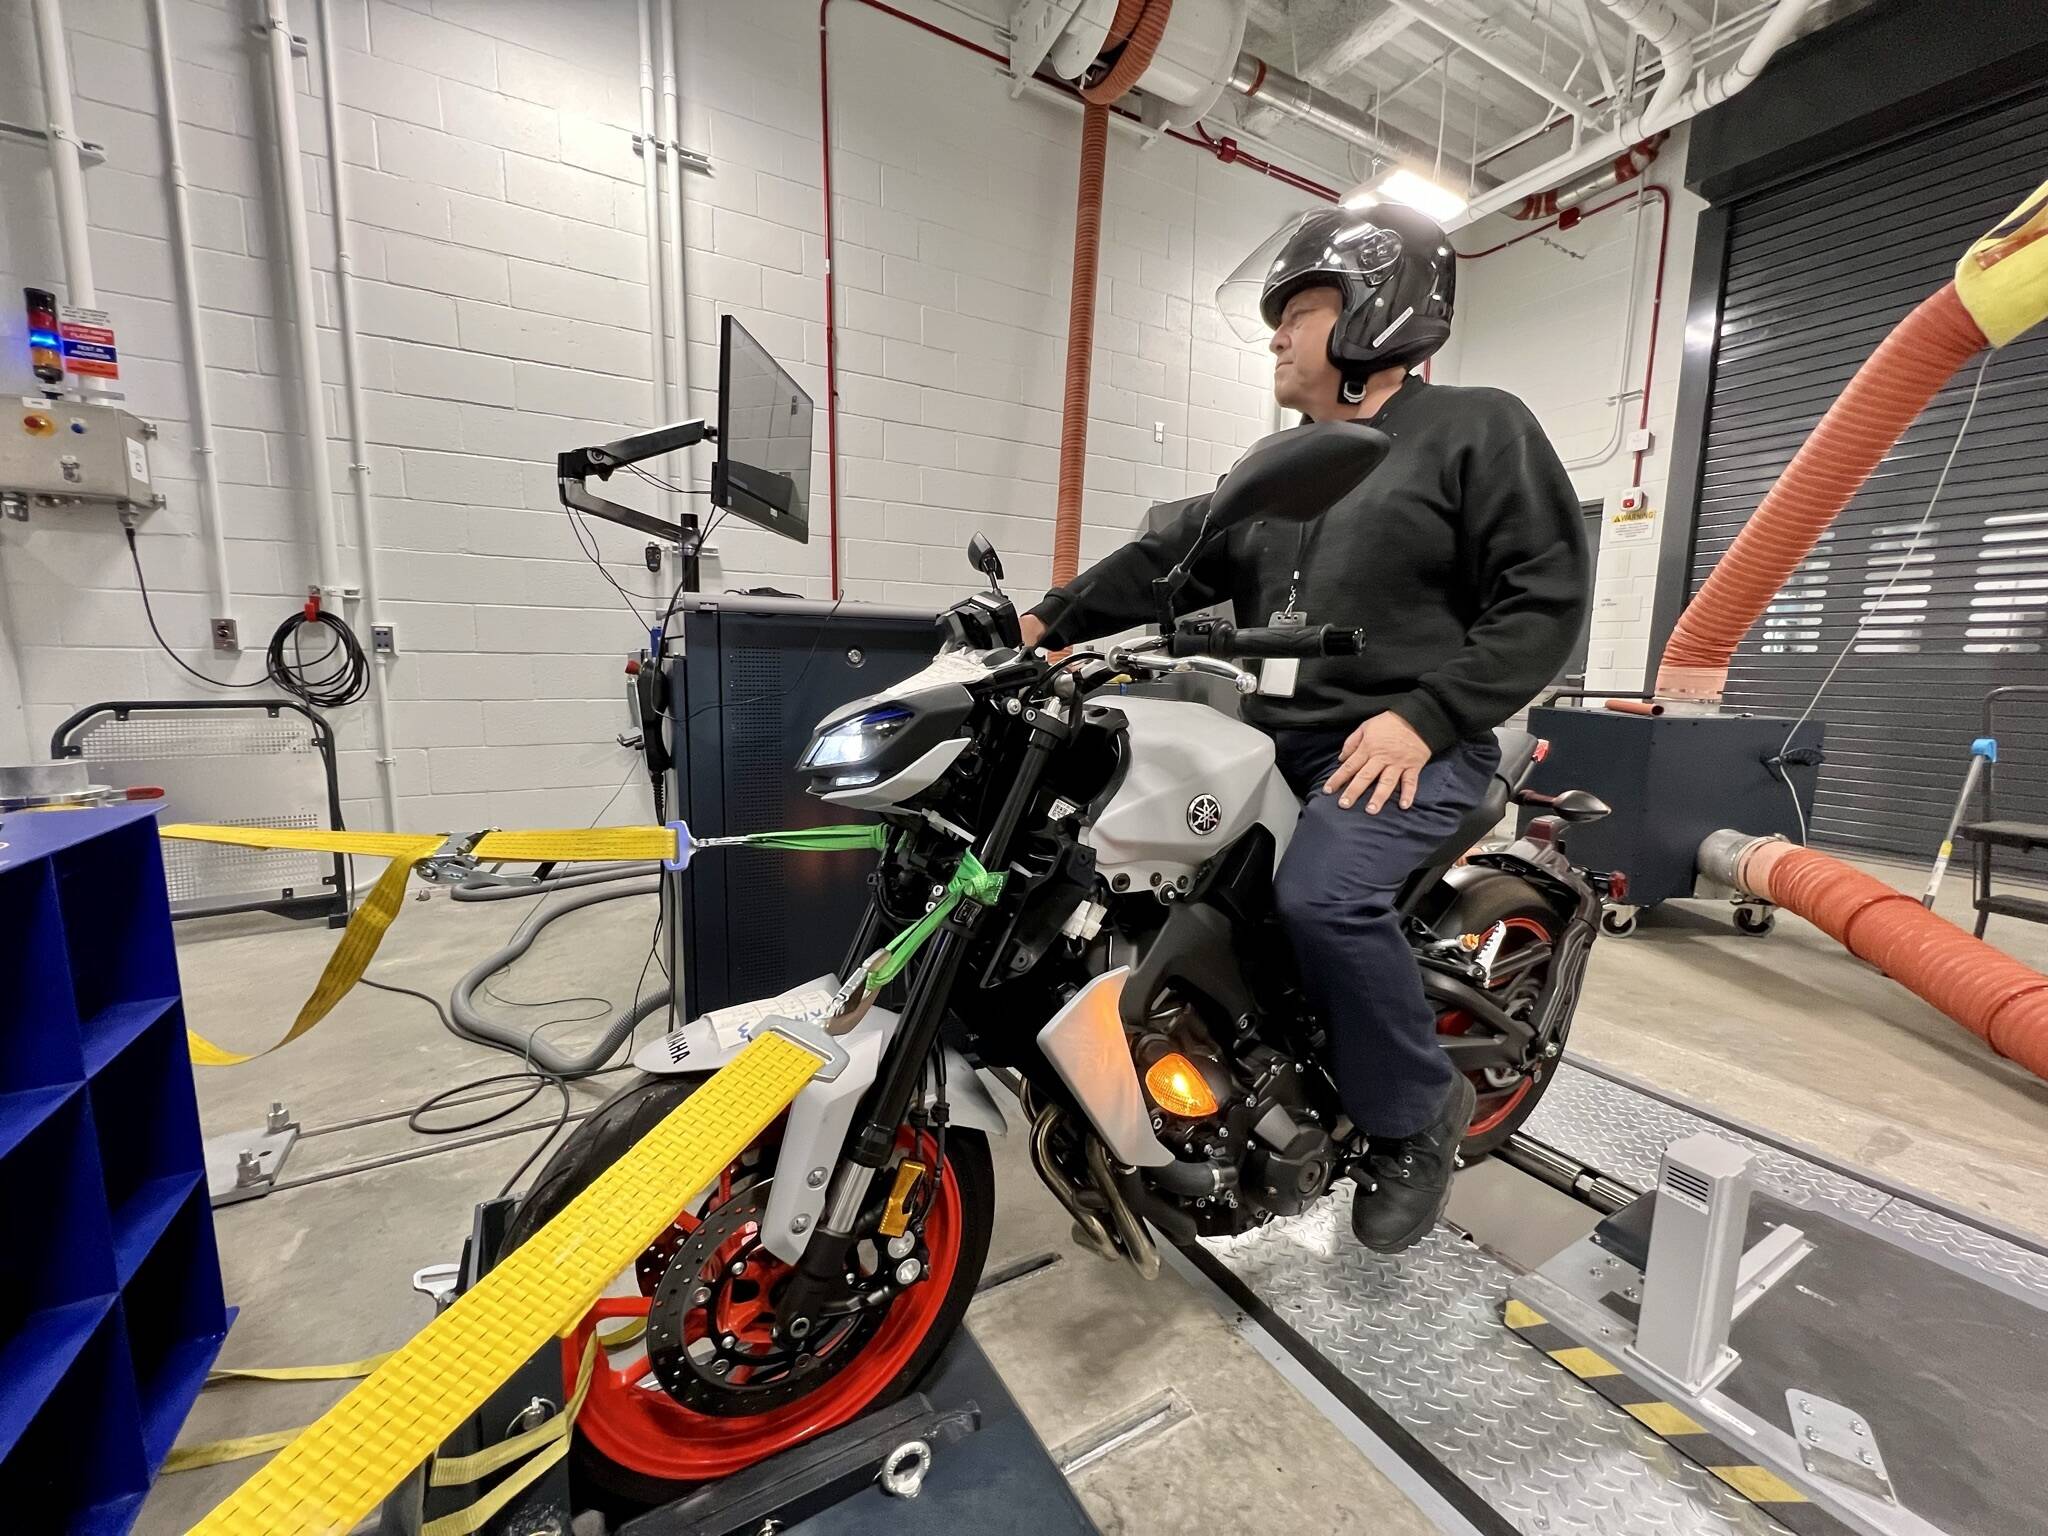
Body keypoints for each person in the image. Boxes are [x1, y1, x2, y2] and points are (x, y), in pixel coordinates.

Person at [1019, 202, 1589, 1252]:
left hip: (1405, 747)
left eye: (1300, 308)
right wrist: (1045, 621)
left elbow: (1543, 601)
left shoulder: (1476, 427)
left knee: (1320, 899)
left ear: (1375, 312)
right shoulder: (1284, 463)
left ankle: (1414, 1114)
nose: (1276, 333)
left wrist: (1424, 716)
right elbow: (1172, 558)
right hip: (1274, 743)